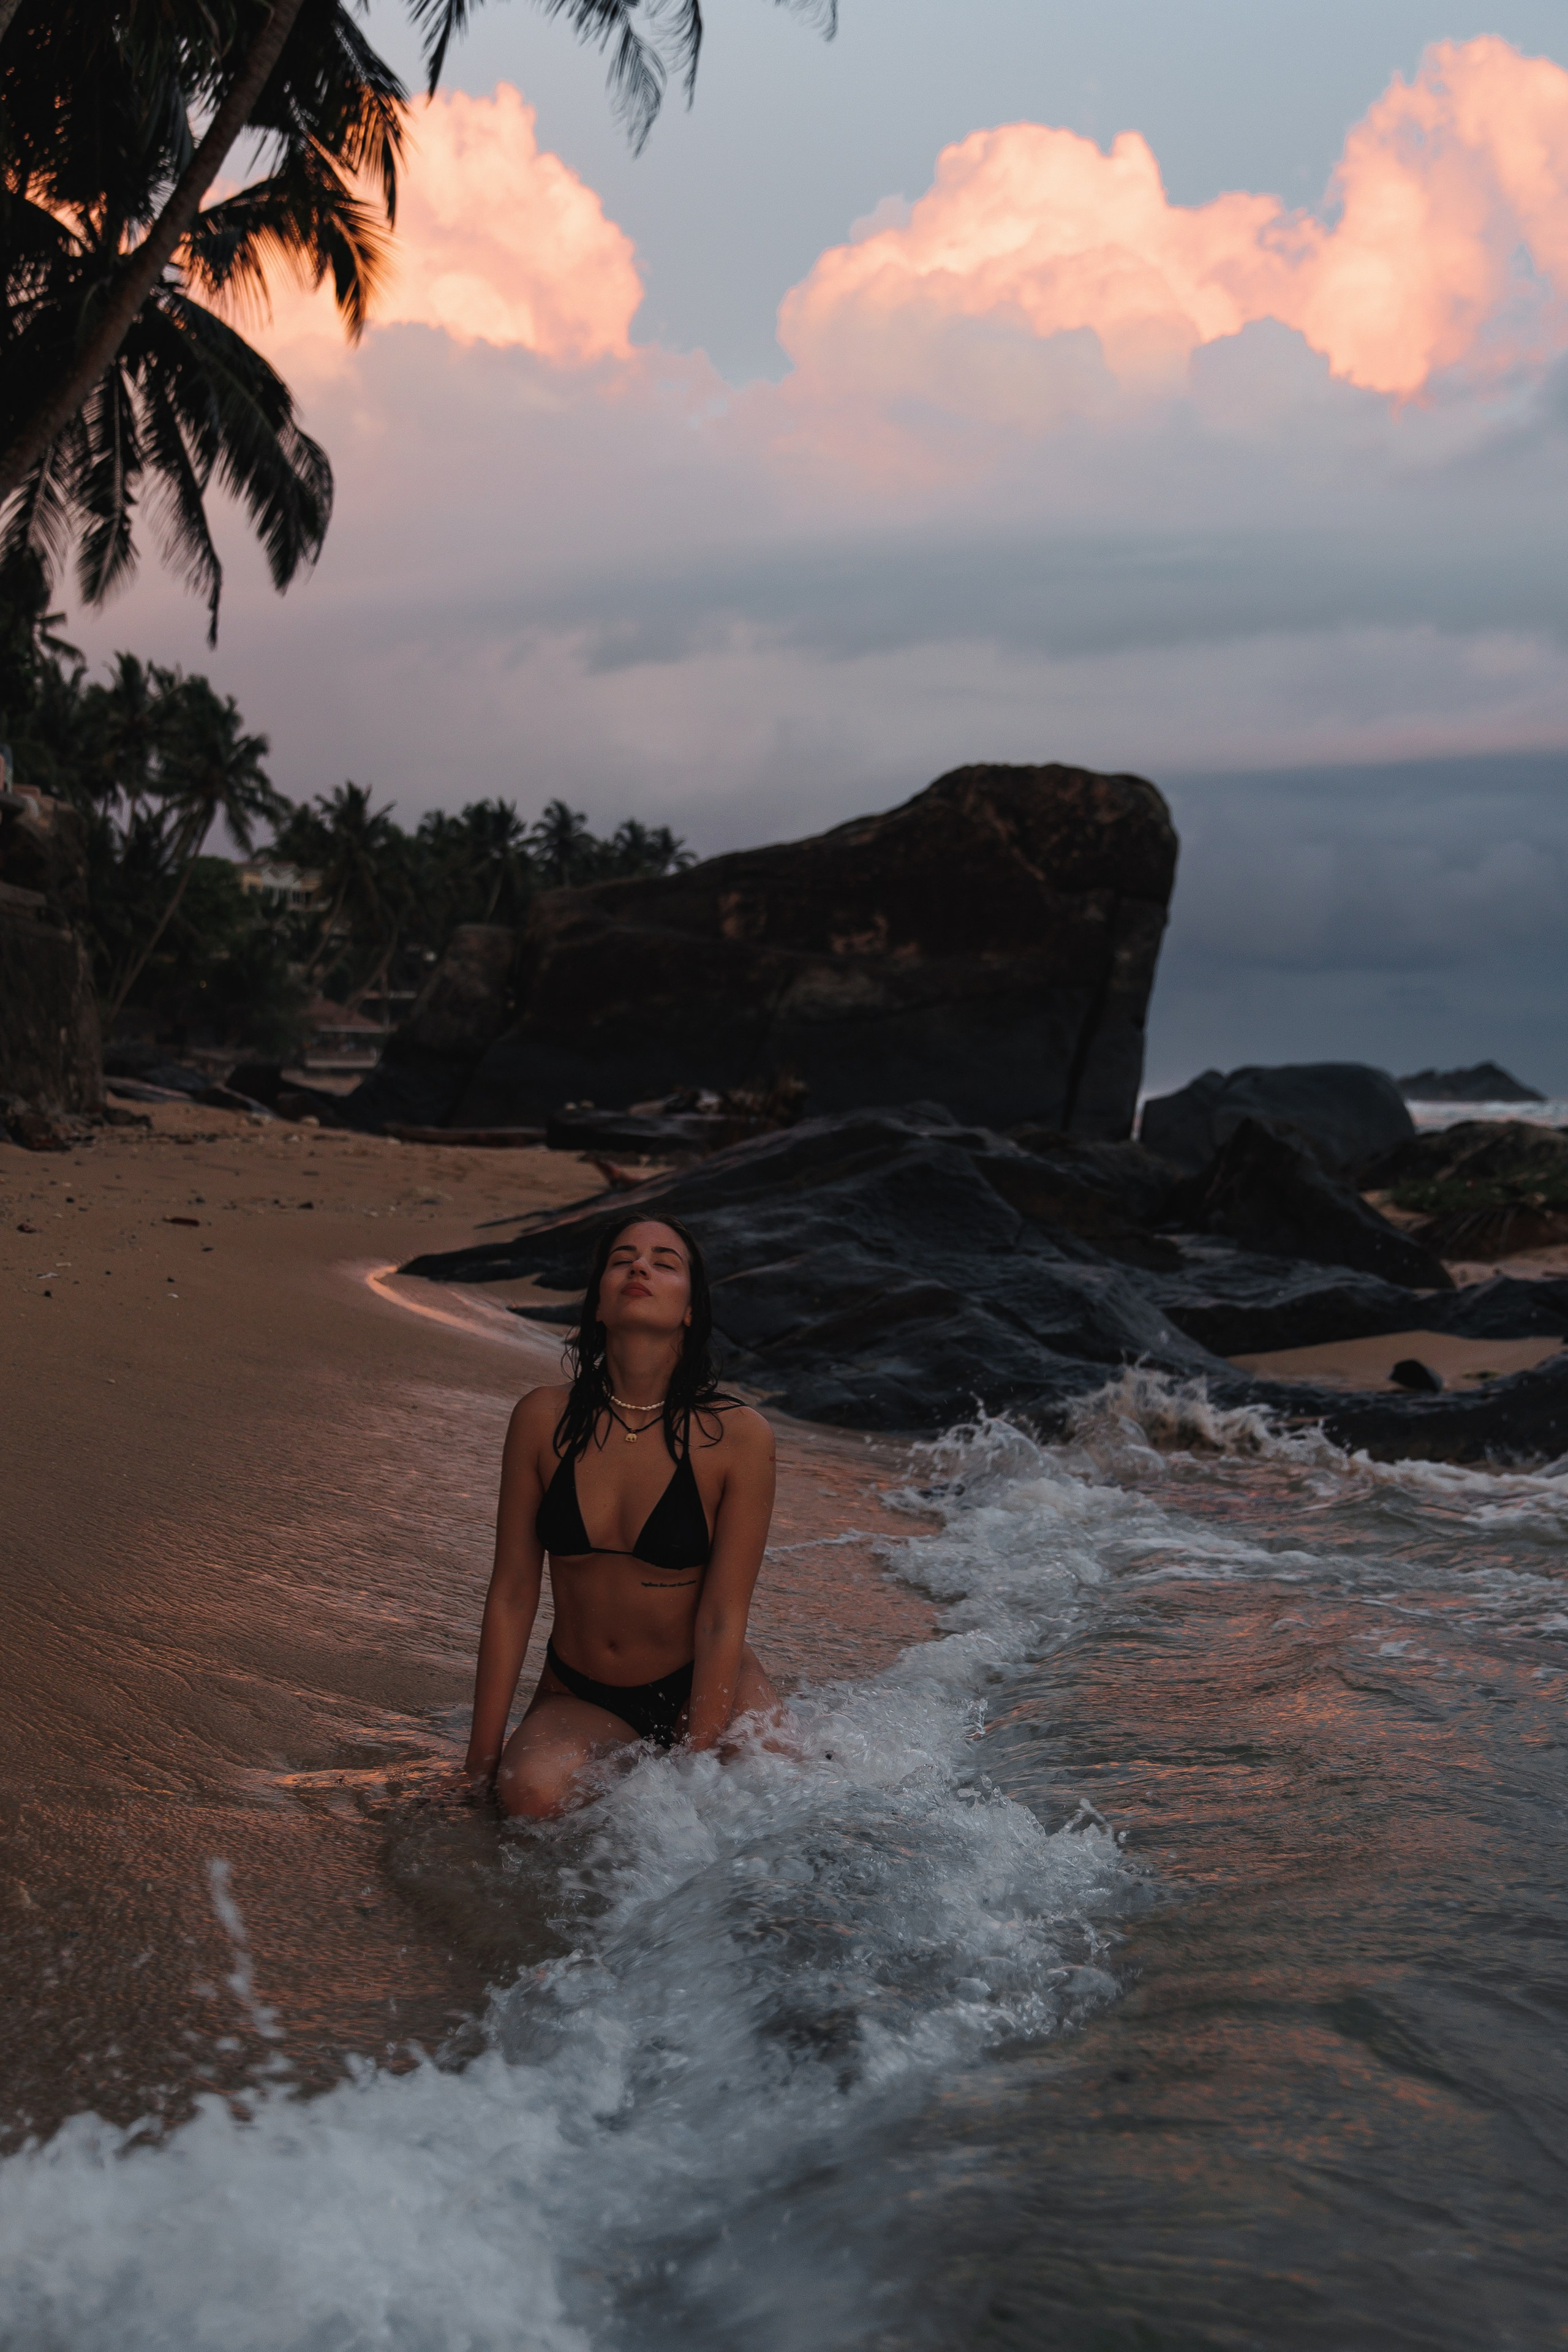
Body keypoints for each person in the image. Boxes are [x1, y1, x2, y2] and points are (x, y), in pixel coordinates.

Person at [462, 1213, 780, 1817]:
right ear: (599, 1306)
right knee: (526, 1796)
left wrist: (697, 1767)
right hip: (583, 1694)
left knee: (768, 1788)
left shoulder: (737, 1438)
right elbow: (511, 1595)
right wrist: (477, 1766)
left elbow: (720, 1616)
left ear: (691, 1310)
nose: (639, 1267)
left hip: (705, 1678)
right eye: (621, 1259)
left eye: (665, 1263)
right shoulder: (541, 1421)